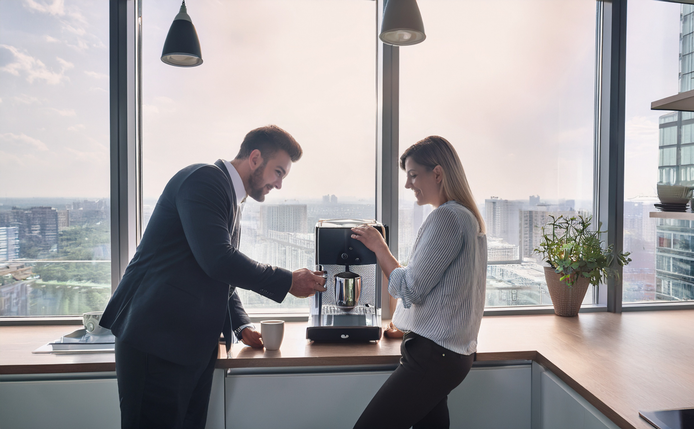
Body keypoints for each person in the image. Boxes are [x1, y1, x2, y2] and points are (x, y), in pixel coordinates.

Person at [99, 125, 327, 429]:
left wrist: (241, 323)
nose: (279, 184)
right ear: (255, 158)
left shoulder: (231, 198)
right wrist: (287, 281)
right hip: (156, 342)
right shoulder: (204, 180)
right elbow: (218, 260)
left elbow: (218, 276)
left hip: (188, 348)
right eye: (279, 172)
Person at [350, 135, 488, 429]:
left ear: (437, 173)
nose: (407, 184)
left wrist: (379, 248)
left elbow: (411, 289)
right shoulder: (468, 218)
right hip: (451, 355)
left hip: (433, 356)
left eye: (413, 175)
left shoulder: (446, 218)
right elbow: (438, 290)